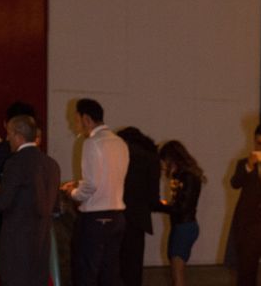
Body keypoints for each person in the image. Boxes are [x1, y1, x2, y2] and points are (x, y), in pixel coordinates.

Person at [60, 98, 129, 286]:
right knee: (110, 273)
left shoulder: (92, 142)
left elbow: (91, 185)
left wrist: (73, 192)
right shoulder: (120, 142)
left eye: (76, 120)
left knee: (85, 272)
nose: (75, 125)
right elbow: (108, 178)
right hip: (117, 217)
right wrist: (79, 184)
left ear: (87, 118)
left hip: (95, 219)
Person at [0, 114, 61, 286]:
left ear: (17, 135)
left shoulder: (15, 163)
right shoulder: (52, 164)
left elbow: (1, 203)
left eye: (9, 134)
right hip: (41, 245)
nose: (7, 139)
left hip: (16, 247)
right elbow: (56, 206)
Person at [227, 123, 261, 286]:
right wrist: (249, 166)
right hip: (248, 228)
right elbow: (235, 183)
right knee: (246, 273)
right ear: (254, 143)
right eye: (259, 144)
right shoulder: (244, 163)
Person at [156, 141, 206, 286]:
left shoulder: (187, 177)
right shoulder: (186, 176)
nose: (163, 165)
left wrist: (159, 206)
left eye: (165, 161)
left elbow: (182, 206)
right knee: (176, 269)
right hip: (184, 225)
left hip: (184, 226)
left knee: (177, 271)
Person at [117, 127, 161, 286]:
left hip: (117, 214)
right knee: (134, 265)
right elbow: (153, 196)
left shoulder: (120, 155)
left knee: (116, 264)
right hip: (139, 218)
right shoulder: (151, 158)